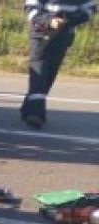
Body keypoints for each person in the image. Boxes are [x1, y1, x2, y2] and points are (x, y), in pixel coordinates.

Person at [20, 0, 93, 129]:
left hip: (64, 36)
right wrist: (49, 21)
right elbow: (31, 7)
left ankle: (28, 107)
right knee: (39, 72)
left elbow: (89, 9)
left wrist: (70, 20)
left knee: (49, 75)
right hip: (41, 34)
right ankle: (36, 114)